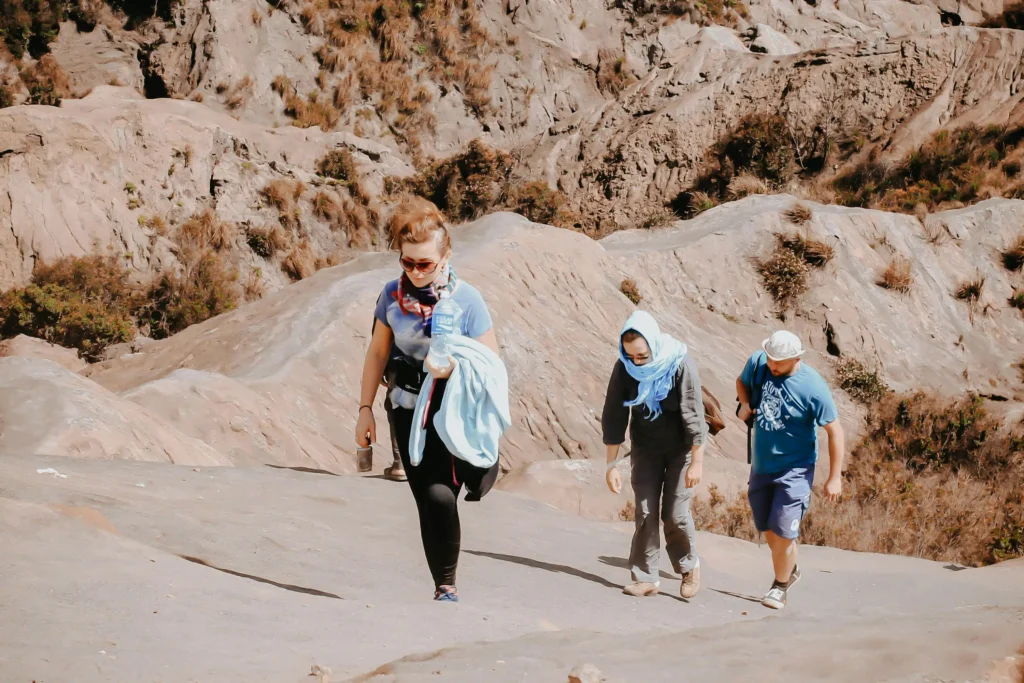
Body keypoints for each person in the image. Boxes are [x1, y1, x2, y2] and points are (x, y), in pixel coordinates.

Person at [355, 197, 499, 603]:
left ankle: (484, 468)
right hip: (408, 409)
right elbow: (377, 353)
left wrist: (452, 369)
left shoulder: (467, 301)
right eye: (407, 263)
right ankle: (445, 584)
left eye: (425, 264)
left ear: (445, 255)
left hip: (456, 410)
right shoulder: (390, 297)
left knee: (468, 480)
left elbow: (491, 365)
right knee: (434, 498)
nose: (415, 272)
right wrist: (365, 410)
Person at [735, 330, 845, 610]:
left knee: (783, 532)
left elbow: (835, 432)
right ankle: (790, 569)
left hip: (795, 468)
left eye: (779, 362)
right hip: (762, 465)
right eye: (770, 359)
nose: (772, 366)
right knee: (767, 528)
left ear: (797, 358)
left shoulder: (812, 386)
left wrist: (834, 477)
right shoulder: (759, 363)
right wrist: (746, 405)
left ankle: (780, 586)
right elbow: (742, 382)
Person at [602, 310, 707, 599]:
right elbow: (614, 415)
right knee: (645, 512)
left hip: (681, 450)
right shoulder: (625, 368)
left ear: (653, 344)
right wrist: (611, 465)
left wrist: (696, 462)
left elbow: (694, 414)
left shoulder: (679, 363)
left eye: (642, 356)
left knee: (675, 513)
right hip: (646, 448)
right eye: (630, 356)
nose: (636, 362)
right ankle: (646, 577)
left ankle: (688, 566)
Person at [370, 310, 407, 482]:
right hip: (434, 361)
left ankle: (401, 464)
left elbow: (380, 333)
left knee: (397, 405)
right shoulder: (446, 290)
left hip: (398, 362)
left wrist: (382, 366)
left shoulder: (392, 291)